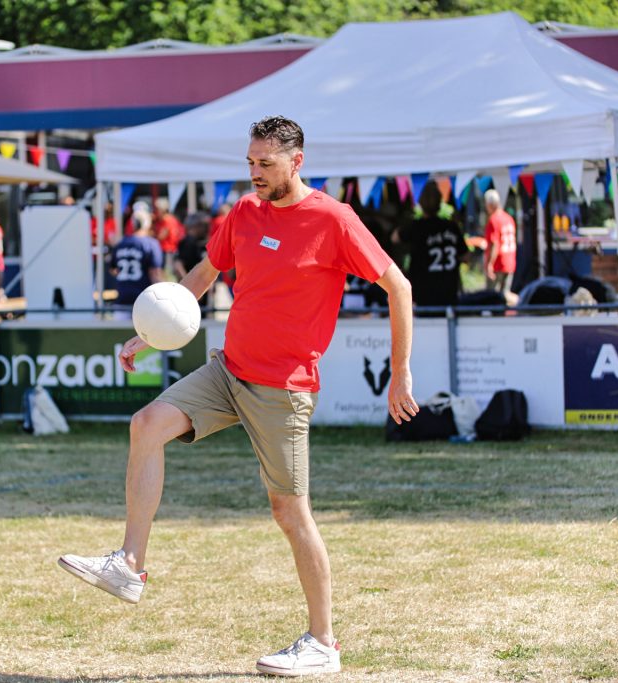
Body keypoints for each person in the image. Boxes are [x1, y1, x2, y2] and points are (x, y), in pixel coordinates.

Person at [58, 116, 417, 677]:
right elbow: (203, 274)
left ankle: (323, 643)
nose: (255, 173)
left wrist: (400, 372)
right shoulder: (245, 212)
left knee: (289, 512)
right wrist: (148, 335)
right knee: (146, 423)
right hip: (228, 372)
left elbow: (399, 285)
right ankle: (129, 564)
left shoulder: (334, 219)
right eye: (250, 162)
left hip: (283, 390)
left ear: (297, 161)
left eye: (265, 163)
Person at [395, 181, 468, 311]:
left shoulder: (416, 227)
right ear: (440, 202)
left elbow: (394, 238)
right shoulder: (451, 226)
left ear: (420, 202)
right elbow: (466, 257)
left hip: (423, 294)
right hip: (449, 293)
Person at [109, 209, 164, 318]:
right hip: (145, 299)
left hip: (122, 297)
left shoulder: (121, 243)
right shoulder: (151, 244)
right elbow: (155, 273)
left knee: (120, 328)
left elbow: (113, 270)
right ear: (147, 224)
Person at [482, 188, 517, 296]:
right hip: (510, 262)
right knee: (504, 296)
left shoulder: (494, 220)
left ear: (490, 204)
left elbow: (495, 244)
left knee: (492, 297)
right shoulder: (509, 218)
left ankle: (518, 301)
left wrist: (489, 264)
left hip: (498, 264)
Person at [175, 211, 211, 312]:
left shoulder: (203, 241)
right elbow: (178, 266)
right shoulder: (188, 242)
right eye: (203, 225)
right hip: (192, 288)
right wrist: (190, 286)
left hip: (202, 286)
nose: (206, 228)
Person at [152, 196, 185, 273]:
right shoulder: (166, 220)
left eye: (157, 209)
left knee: (167, 272)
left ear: (162, 210)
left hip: (168, 251)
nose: (155, 211)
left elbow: (161, 237)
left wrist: (150, 233)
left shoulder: (167, 220)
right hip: (168, 250)